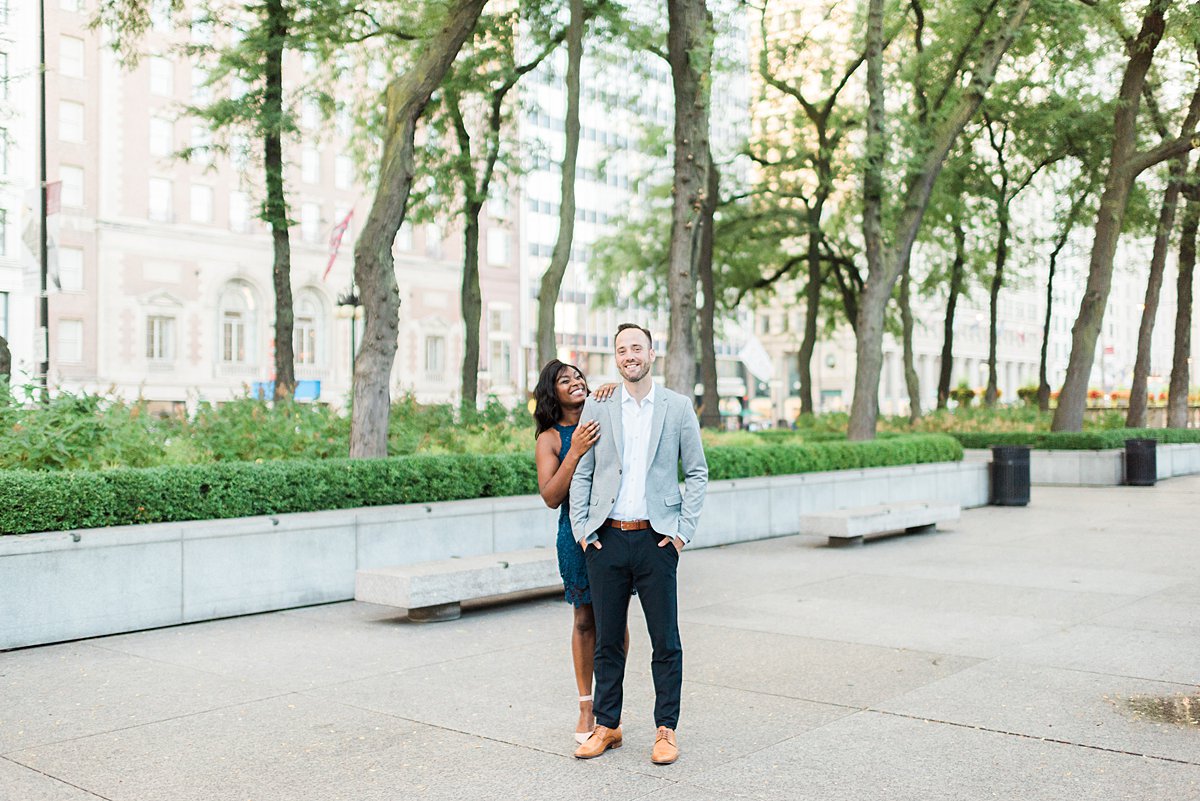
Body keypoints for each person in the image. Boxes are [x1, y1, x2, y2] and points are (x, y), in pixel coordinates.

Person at [569, 323, 708, 766]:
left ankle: (666, 730)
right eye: (621, 350)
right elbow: (584, 469)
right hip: (606, 539)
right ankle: (607, 726)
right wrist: (583, 530)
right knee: (608, 639)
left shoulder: (677, 407)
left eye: (636, 348)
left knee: (665, 639)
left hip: (657, 539)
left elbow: (697, 472)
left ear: (652, 353)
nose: (629, 355)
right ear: (616, 358)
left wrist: (682, 532)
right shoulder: (599, 403)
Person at [533, 360, 619, 744]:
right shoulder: (550, 438)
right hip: (574, 534)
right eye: (565, 380)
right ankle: (587, 705)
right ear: (553, 393)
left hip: (614, 530)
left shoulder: (605, 413)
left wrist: (615, 387)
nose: (576, 382)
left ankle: (610, 704)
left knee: (615, 621)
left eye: (578, 376)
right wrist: (576, 449)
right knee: (585, 620)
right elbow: (551, 496)